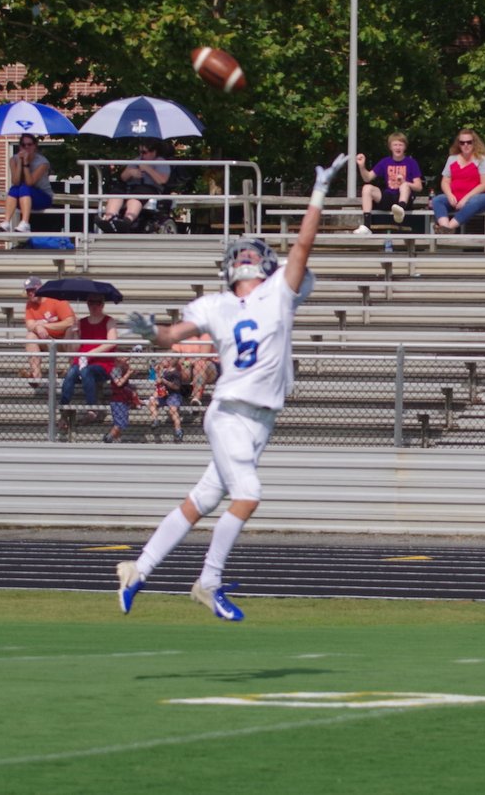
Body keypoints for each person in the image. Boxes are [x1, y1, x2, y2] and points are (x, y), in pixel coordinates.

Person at [118, 152, 349, 621]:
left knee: (203, 499)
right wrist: (150, 332)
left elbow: (303, 246)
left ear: (265, 265)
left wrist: (319, 194)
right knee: (248, 496)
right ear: (229, 267)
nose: (245, 256)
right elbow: (171, 336)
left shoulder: (278, 292)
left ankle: (137, 569)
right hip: (229, 412)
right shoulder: (214, 304)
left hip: (261, 420)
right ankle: (208, 582)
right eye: (239, 254)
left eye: (252, 253)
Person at [57, 295, 117, 429]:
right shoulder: (81, 322)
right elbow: (72, 349)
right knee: (71, 373)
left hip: (102, 363)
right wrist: (74, 333)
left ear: (102, 305)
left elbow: (112, 342)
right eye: (91, 303)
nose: (94, 306)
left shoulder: (109, 321)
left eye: (97, 303)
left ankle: (92, 408)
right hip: (82, 361)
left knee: (86, 371)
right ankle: (63, 411)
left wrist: (90, 353)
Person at [351, 132, 423, 235]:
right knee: (367, 188)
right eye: (395, 145)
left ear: (405, 147)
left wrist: (405, 182)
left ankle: (400, 209)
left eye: (400, 145)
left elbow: (419, 187)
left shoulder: (411, 162)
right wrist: (362, 166)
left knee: (405, 185)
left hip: (404, 199)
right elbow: (367, 178)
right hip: (388, 197)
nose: (398, 148)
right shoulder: (385, 162)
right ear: (390, 147)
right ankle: (367, 226)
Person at [431, 128, 485, 233]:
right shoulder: (452, 159)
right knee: (437, 200)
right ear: (458, 144)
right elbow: (445, 181)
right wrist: (449, 195)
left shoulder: (483, 160)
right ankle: (444, 227)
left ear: (474, 143)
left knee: (474, 201)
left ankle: (449, 228)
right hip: (457, 196)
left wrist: (466, 198)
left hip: (482, 197)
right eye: (462, 143)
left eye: (469, 142)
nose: (465, 145)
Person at [96, 141, 170, 233]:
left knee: (136, 197)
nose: (141, 155)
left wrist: (148, 169)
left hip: (149, 188)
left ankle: (127, 220)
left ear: (153, 152)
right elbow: (123, 177)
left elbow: (162, 180)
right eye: (140, 152)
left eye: (144, 152)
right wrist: (130, 172)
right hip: (131, 186)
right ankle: (109, 218)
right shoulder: (137, 160)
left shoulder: (160, 162)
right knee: (117, 192)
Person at [22, 275, 76, 382]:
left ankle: (74, 372)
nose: (30, 293)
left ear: (40, 288)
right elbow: (30, 325)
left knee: (72, 331)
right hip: (47, 339)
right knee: (30, 336)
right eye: (28, 291)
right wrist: (38, 327)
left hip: (64, 339)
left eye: (33, 290)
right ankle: (36, 376)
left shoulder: (56, 299)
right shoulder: (30, 304)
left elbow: (70, 321)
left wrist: (44, 325)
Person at [0, 134, 54, 233]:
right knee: (14, 189)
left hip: (43, 197)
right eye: (23, 145)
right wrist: (20, 162)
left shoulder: (43, 163)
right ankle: (6, 222)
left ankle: (25, 223)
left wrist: (26, 163)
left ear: (35, 146)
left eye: (29, 144)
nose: (26, 147)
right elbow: (16, 181)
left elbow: (29, 182)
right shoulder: (13, 160)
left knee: (24, 187)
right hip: (22, 197)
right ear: (20, 147)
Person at [173, 333, 219, 406]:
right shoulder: (182, 335)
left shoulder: (205, 335)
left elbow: (204, 357)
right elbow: (174, 354)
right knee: (178, 366)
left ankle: (196, 398)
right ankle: (177, 394)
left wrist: (187, 362)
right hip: (189, 365)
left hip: (209, 367)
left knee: (200, 365)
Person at [105, 352, 140, 444]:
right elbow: (119, 383)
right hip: (117, 400)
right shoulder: (115, 370)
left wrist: (131, 372)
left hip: (124, 399)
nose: (128, 361)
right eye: (125, 359)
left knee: (122, 422)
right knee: (119, 423)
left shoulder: (123, 368)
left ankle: (117, 440)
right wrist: (128, 373)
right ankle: (108, 438)